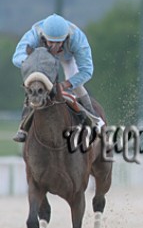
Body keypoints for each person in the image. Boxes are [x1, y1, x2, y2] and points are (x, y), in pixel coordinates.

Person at [12, 13, 104, 142]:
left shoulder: (77, 38)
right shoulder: (34, 33)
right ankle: (23, 127)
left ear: (66, 37)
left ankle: (93, 117)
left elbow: (87, 70)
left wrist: (66, 84)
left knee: (76, 85)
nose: (55, 47)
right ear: (43, 37)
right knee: (35, 84)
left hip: (68, 58)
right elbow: (17, 57)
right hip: (42, 59)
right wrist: (33, 62)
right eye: (50, 42)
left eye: (59, 42)